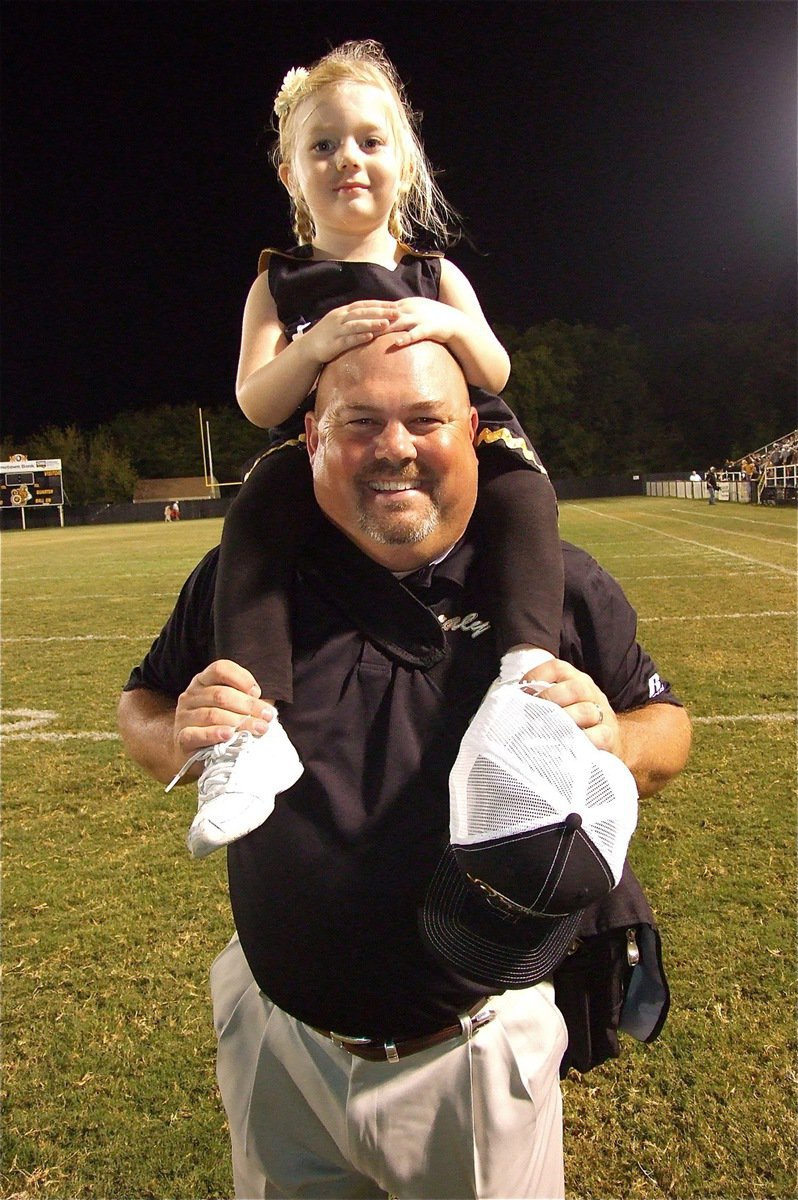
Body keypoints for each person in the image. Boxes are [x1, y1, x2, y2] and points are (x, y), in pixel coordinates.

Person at [118, 337, 692, 1200]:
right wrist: (180, 737)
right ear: (311, 436)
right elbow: (142, 704)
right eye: (361, 423)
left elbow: (668, 726)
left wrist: (615, 736)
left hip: (475, 1045)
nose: (395, 447)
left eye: (425, 419)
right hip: (278, 1037)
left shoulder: (553, 585)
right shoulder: (248, 581)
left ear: (472, 430)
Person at [180, 39, 565, 860]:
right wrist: (314, 351)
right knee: (253, 520)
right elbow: (257, 402)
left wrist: (454, 328)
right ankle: (254, 732)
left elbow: (497, 369)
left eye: (368, 140)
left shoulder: (435, 274)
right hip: (325, 454)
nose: (346, 159)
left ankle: (527, 685)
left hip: (458, 444)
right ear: (291, 174)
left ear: (404, 161)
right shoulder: (279, 283)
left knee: (527, 496)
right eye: (322, 145)